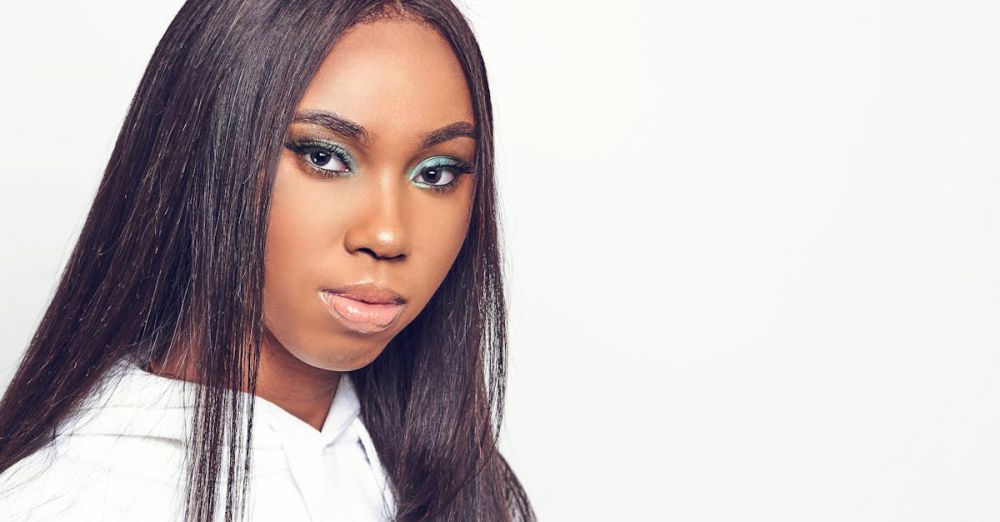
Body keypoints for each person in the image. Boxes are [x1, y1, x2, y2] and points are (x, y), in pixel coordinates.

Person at [0, 1, 535, 521]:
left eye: (436, 172)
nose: (388, 234)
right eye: (325, 157)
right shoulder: (56, 499)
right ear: (202, 154)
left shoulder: (458, 485)